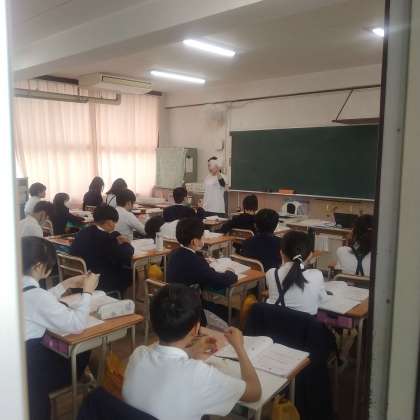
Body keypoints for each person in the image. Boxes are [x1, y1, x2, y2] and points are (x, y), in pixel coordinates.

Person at [122, 284, 261, 420]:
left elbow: (166, 361)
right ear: (196, 329)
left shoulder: (138, 355)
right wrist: (239, 347)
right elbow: (254, 392)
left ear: (153, 322)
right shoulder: (200, 375)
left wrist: (189, 352)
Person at [22, 236, 98, 420]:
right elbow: (77, 324)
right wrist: (87, 292)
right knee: (83, 349)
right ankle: (84, 385)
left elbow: (37, 299)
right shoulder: (37, 297)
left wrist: (66, 284)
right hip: (33, 370)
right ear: (39, 266)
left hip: (17, 361)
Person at [70, 205, 134, 294]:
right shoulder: (106, 239)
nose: (115, 225)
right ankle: (116, 298)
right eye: (114, 222)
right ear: (109, 222)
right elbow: (126, 254)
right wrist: (127, 243)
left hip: (78, 278)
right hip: (98, 281)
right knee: (131, 273)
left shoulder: (82, 232)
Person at [265, 230, 328, 315]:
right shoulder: (317, 275)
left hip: (273, 322)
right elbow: (323, 299)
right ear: (310, 255)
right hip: (304, 324)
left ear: (281, 253)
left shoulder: (271, 273)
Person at [167, 217, 237, 290]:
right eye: (203, 236)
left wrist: (203, 261)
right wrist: (230, 272)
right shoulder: (197, 262)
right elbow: (220, 280)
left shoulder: (173, 253)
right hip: (188, 296)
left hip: (173, 294)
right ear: (195, 241)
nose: (204, 238)